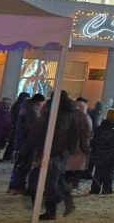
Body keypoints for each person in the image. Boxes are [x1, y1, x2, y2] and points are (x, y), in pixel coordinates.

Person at [38, 92, 80, 220]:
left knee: (50, 182)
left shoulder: (54, 113)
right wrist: (70, 149)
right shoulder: (70, 112)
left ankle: (52, 210)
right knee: (58, 178)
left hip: (52, 150)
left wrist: (39, 149)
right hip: (62, 151)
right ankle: (68, 202)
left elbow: (43, 131)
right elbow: (74, 132)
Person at [8, 92, 44, 193]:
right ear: (38, 102)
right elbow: (33, 128)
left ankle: (14, 186)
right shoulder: (31, 111)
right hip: (26, 142)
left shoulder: (26, 107)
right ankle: (17, 186)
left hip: (21, 140)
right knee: (24, 164)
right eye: (41, 103)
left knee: (20, 163)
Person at [90, 108, 114, 194]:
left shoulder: (99, 128)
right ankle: (107, 189)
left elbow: (94, 141)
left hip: (99, 153)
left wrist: (94, 151)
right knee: (109, 172)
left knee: (98, 171)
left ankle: (95, 189)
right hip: (111, 155)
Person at [66, 98, 93, 188]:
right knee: (79, 162)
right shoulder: (86, 117)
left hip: (70, 142)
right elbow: (89, 131)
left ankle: (68, 178)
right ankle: (76, 180)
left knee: (69, 161)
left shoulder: (70, 115)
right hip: (82, 142)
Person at [0, 97, 12, 162]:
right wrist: (10, 126)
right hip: (0, 131)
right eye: (9, 104)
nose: (10, 105)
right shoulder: (3, 111)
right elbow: (5, 122)